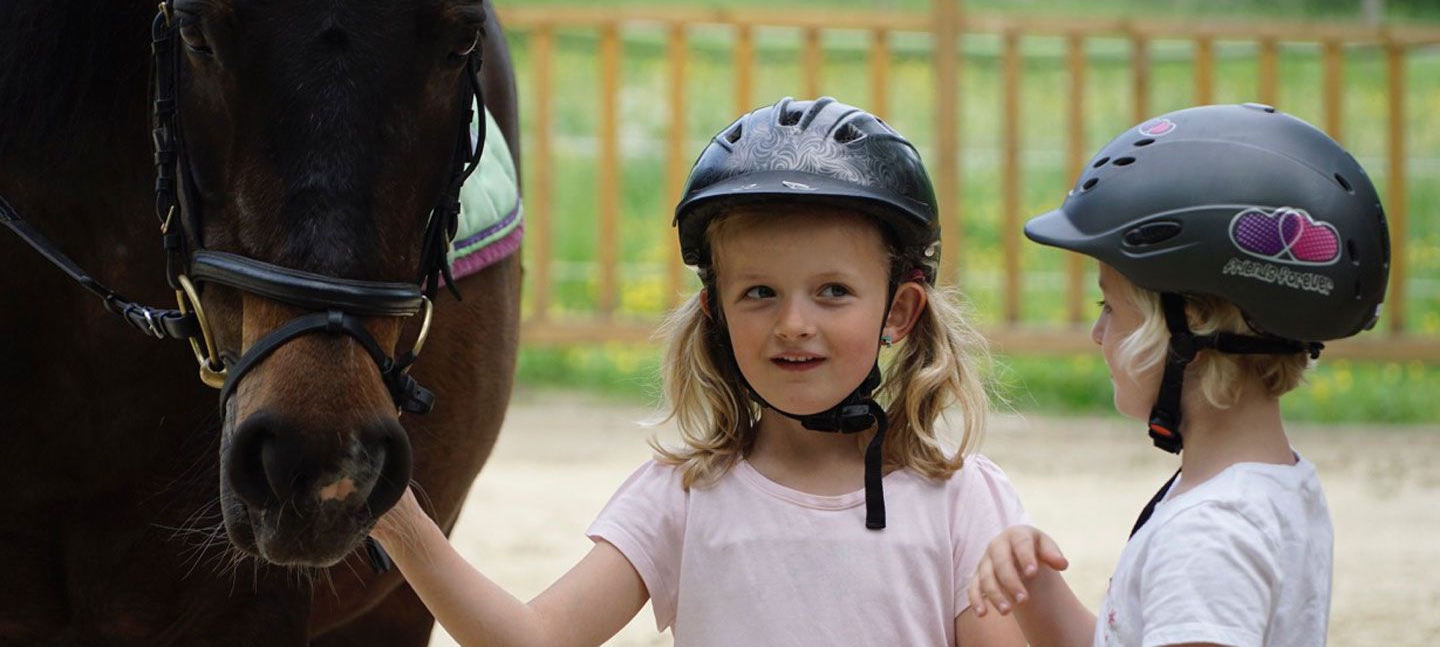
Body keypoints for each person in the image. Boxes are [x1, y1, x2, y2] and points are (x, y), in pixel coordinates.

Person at [372, 96, 1030, 646]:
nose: (794, 322)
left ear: (901, 309)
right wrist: (394, 511)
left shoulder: (962, 500)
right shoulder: (682, 495)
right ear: (716, 311)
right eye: (760, 292)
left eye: (832, 291)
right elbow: (532, 638)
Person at [965, 103, 1391, 647]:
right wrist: (1038, 592)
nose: (1097, 333)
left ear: (1191, 327)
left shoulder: (1210, 536)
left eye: (1111, 308)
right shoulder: (1273, 489)